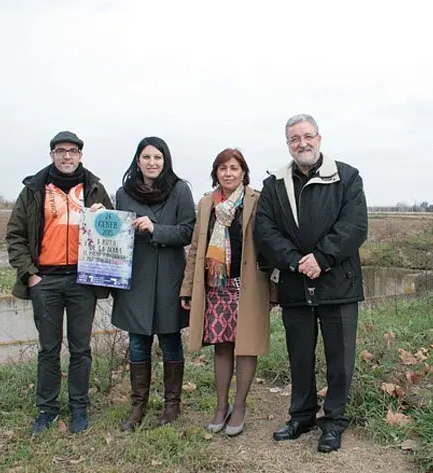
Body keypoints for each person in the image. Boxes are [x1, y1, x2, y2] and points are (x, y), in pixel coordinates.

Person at [254, 114, 368, 453]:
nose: (302, 143)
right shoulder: (275, 184)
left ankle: (333, 422)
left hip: (338, 284)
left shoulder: (347, 177)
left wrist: (322, 257)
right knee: (299, 356)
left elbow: (355, 226)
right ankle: (301, 415)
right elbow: (265, 230)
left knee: (340, 358)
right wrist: (293, 260)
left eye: (307, 136)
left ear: (319, 138)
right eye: (294, 139)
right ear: (288, 144)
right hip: (294, 283)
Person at [6, 131, 113, 435]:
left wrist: (105, 216)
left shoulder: (94, 189)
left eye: (73, 151)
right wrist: (31, 275)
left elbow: (113, 228)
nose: (67, 156)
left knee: (81, 348)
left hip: (82, 280)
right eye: (61, 150)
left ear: (81, 155)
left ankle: (79, 407)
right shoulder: (34, 189)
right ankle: (47, 409)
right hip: (47, 280)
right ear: (52, 154)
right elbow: (15, 235)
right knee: (48, 349)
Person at [180, 148, 272, 437]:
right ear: (215, 173)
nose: (228, 173)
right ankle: (221, 406)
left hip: (249, 285)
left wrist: (274, 290)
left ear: (243, 171)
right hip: (217, 286)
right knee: (222, 346)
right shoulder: (207, 203)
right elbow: (196, 247)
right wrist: (187, 289)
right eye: (222, 168)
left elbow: (270, 244)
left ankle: (240, 406)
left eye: (234, 168)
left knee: (247, 347)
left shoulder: (257, 200)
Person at [111, 137, 196, 431]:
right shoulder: (123, 193)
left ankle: (172, 405)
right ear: (138, 161)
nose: (152, 163)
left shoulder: (179, 190)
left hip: (170, 275)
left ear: (165, 160)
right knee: (137, 341)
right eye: (146, 157)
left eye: (157, 157)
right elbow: (117, 229)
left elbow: (188, 231)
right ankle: (138, 406)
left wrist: (155, 228)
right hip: (136, 276)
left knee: (170, 338)